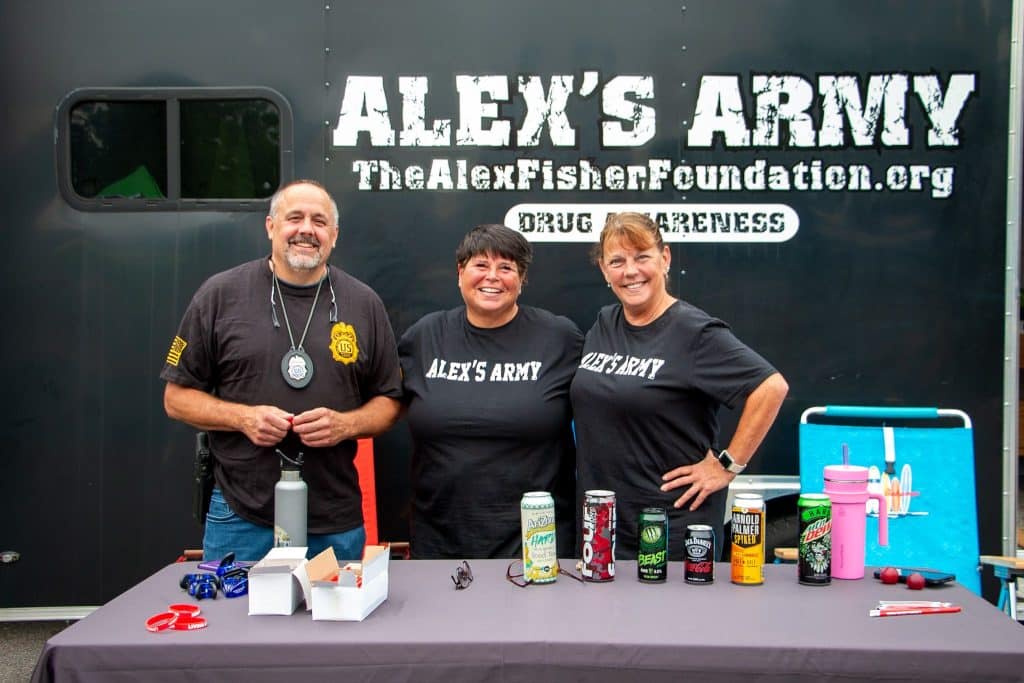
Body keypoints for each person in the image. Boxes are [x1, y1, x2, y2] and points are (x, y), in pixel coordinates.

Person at [161, 179, 402, 562]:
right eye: (295, 218)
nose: (307, 229)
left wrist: (345, 425)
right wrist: (243, 418)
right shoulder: (220, 295)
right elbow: (176, 399)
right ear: (271, 227)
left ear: (334, 236)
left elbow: (390, 401)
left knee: (334, 622)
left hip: (334, 516)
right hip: (242, 512)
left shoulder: (364, 303)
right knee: (232, 620)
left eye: (319, 221)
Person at [571, 212, 788, 560]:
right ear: (603, 269)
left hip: (671, 524)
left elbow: (771, 387)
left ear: (665, 258)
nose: (630, 271)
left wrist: (727, 466)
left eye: (642, 257)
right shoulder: (604, 324)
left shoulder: (695, 332)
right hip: (605, 523)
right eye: (617, 261)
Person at [398, 224, 583, 559]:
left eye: (506, 267)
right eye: (481, 265)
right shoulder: (425, 336)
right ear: (460, 273)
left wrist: (710, 458)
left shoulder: (559, 338)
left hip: (536, 541)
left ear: (522, 279)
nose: (492, 277)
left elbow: (613, 400)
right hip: (439, 538)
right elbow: (383, 398)